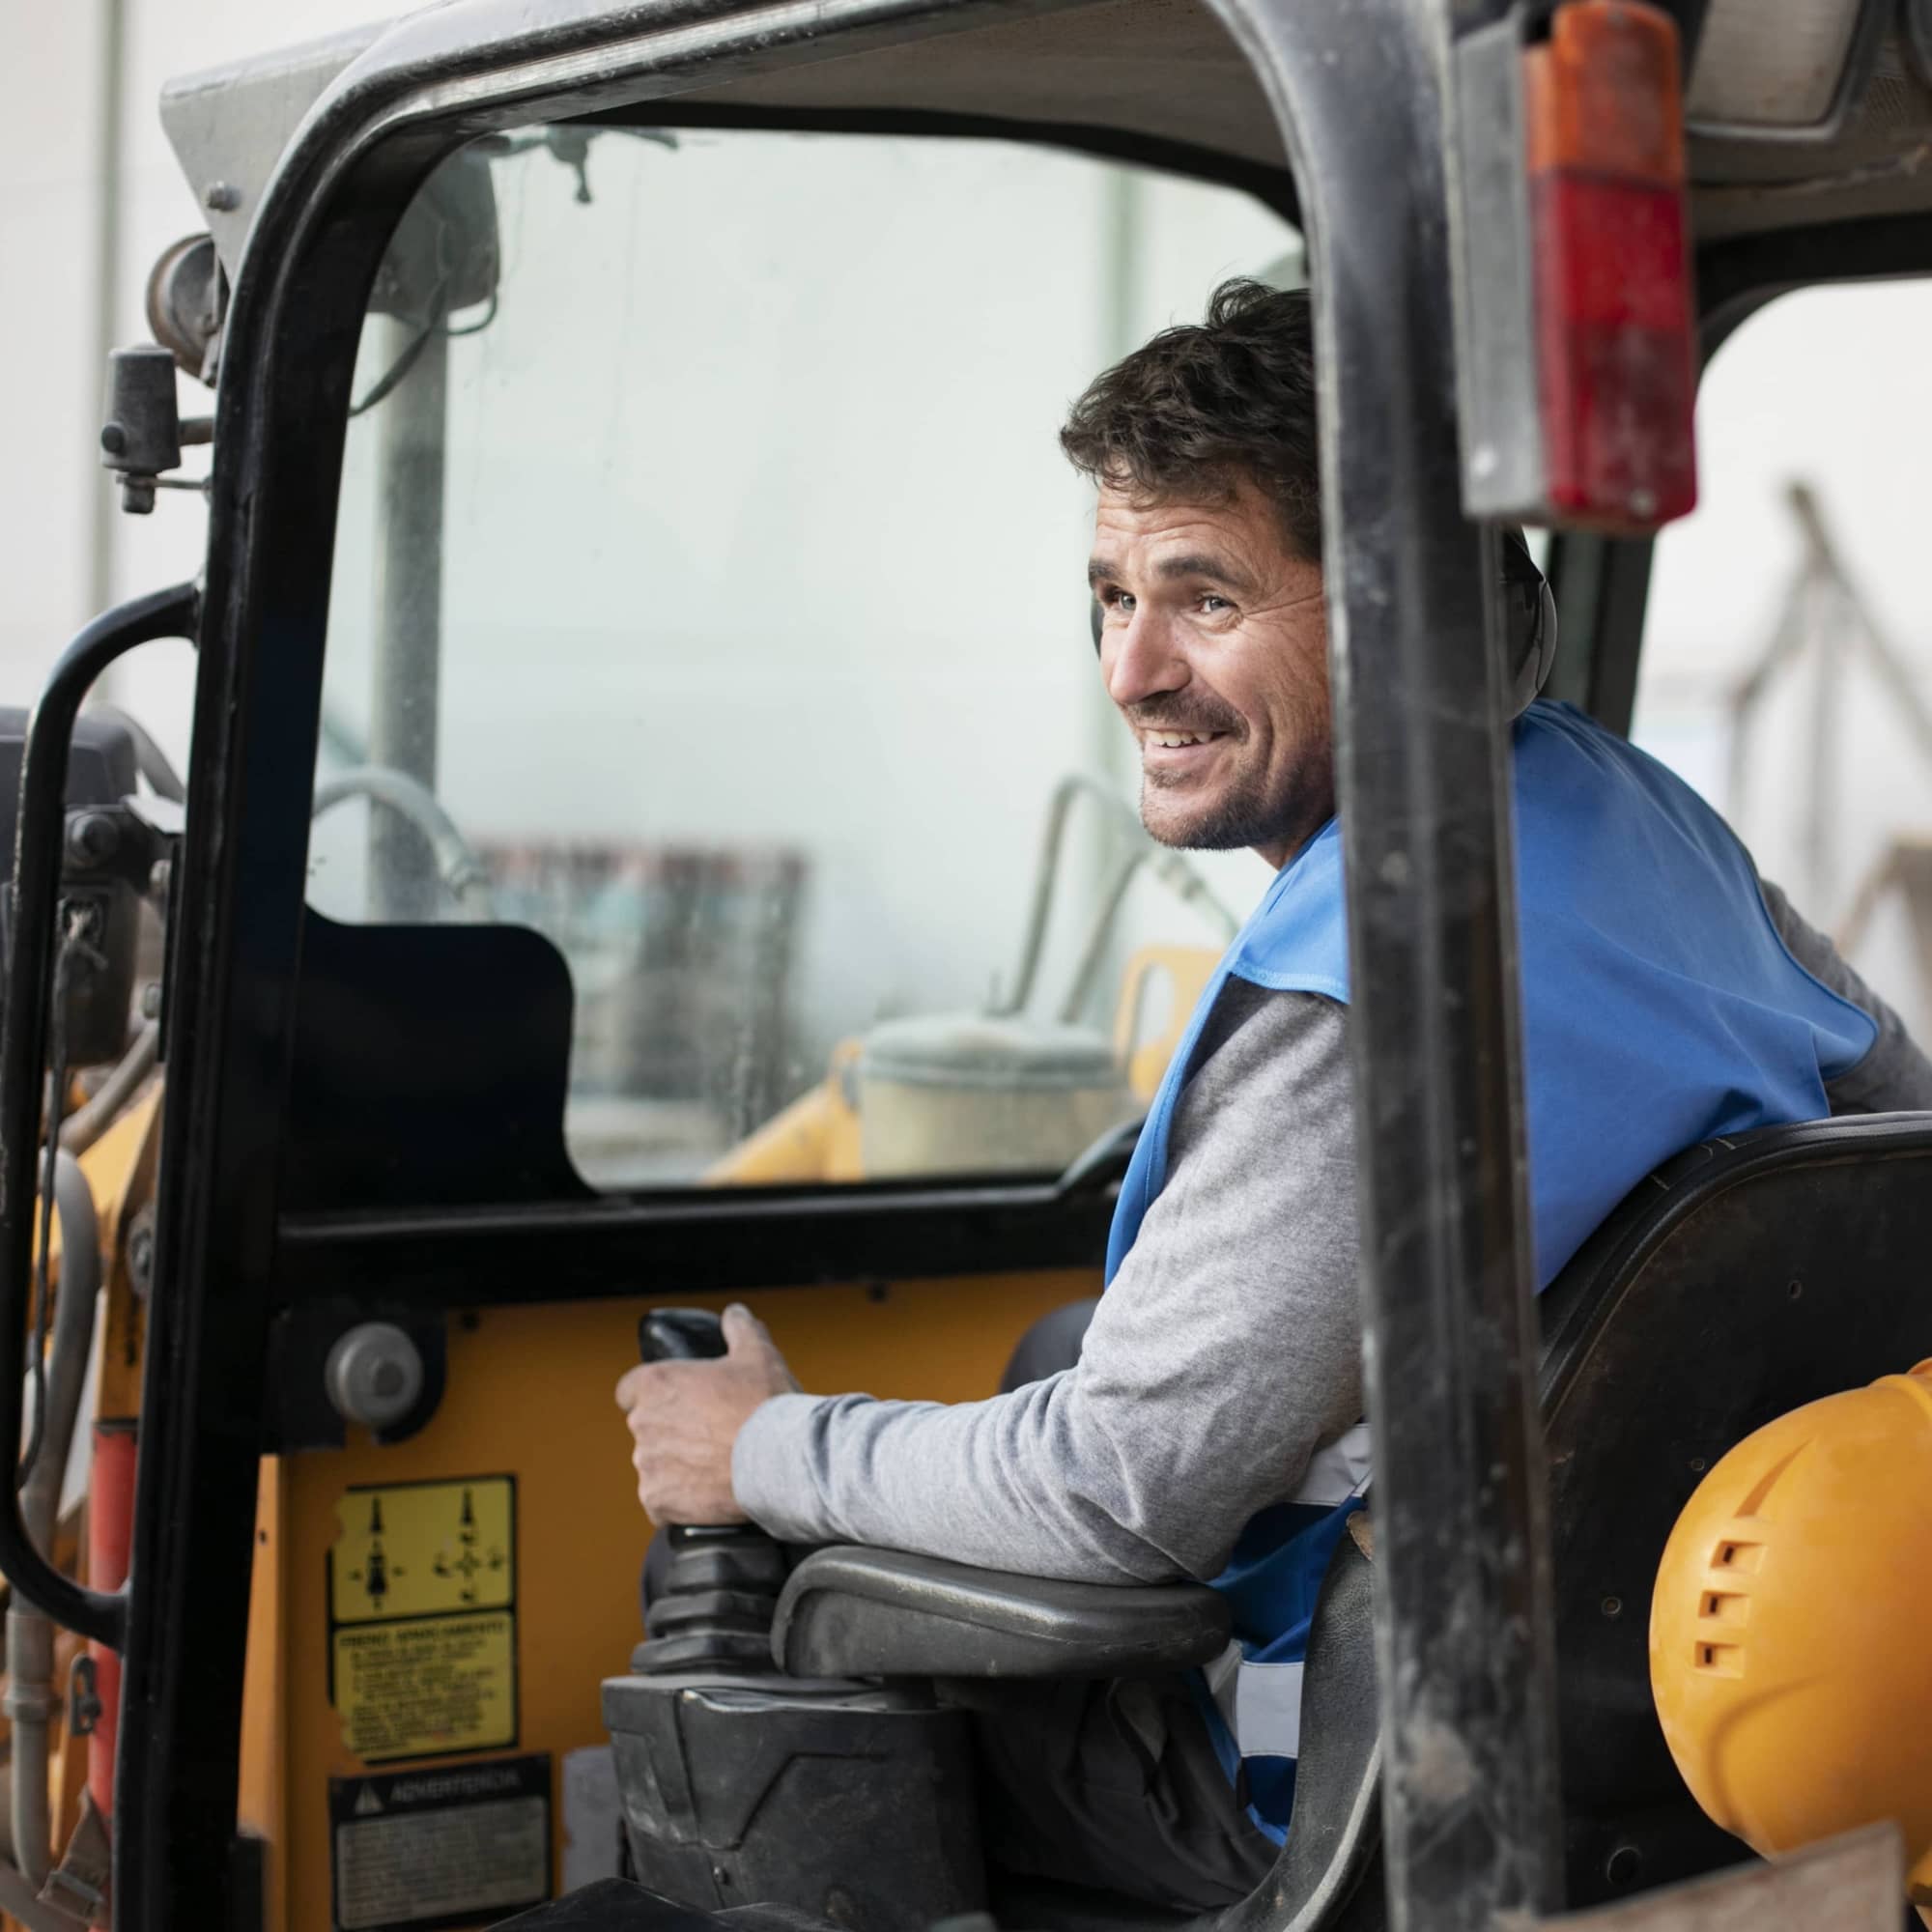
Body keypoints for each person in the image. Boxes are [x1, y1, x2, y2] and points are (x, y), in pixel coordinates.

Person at [615, 280, 1932, 1912]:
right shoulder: (1639, 818)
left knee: (777, 1651)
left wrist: (764, 1454)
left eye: (1205, 598)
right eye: (1108, 597)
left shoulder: (1367, 994)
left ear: (1405, 613)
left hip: (1341, 1802)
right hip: (1662, 1747)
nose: (1132, 672)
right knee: (1046, 1359)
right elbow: (1885, 1133)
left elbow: (1114, 1501)